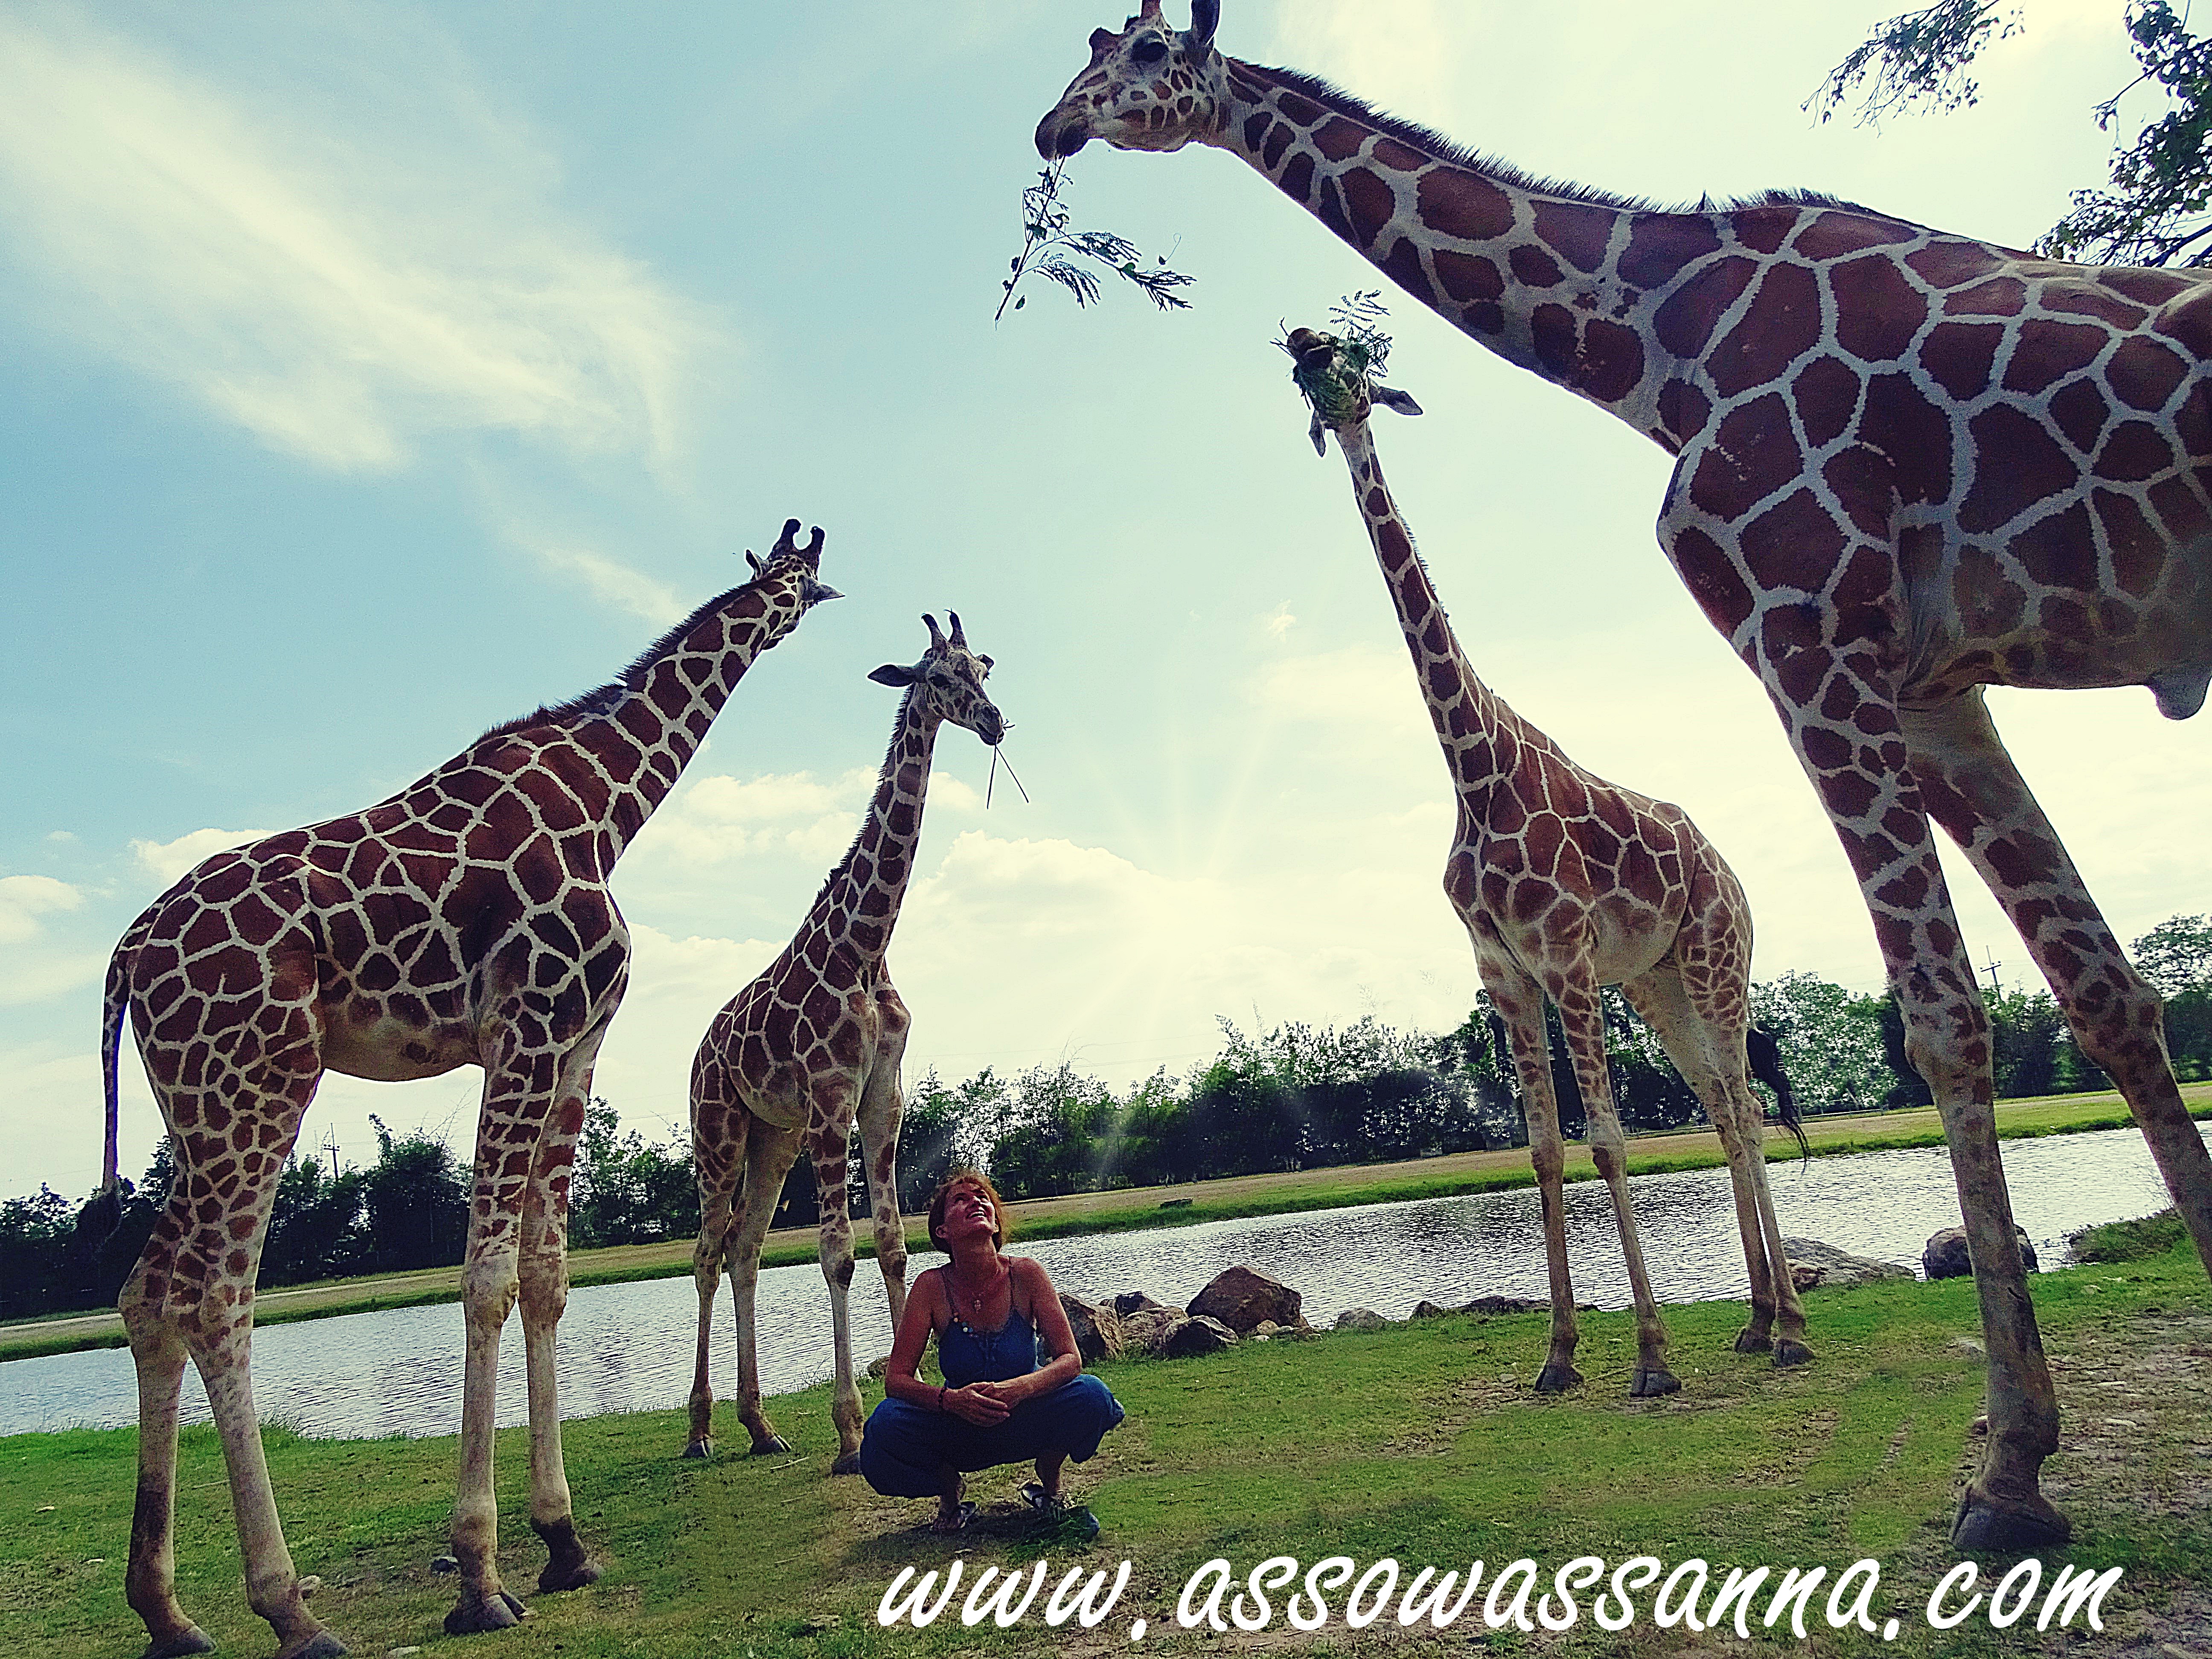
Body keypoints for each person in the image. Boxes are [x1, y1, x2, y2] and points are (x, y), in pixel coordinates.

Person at [859, 1169, 1124, 1533]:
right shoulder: (930, 1287)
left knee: (1093, 1395)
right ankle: (949, 1491)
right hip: (960, 1426)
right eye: (961, 1199)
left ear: (996, 1221)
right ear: (943, 1232)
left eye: (983, 1197)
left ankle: (1049, 1478)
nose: (977, 1202)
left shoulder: (1028, 1274)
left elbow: (1070, 1359)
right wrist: (951, 1401)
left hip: (1026, 1416)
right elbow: (897, 1380)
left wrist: (1022, 1388)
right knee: (885, 1426)